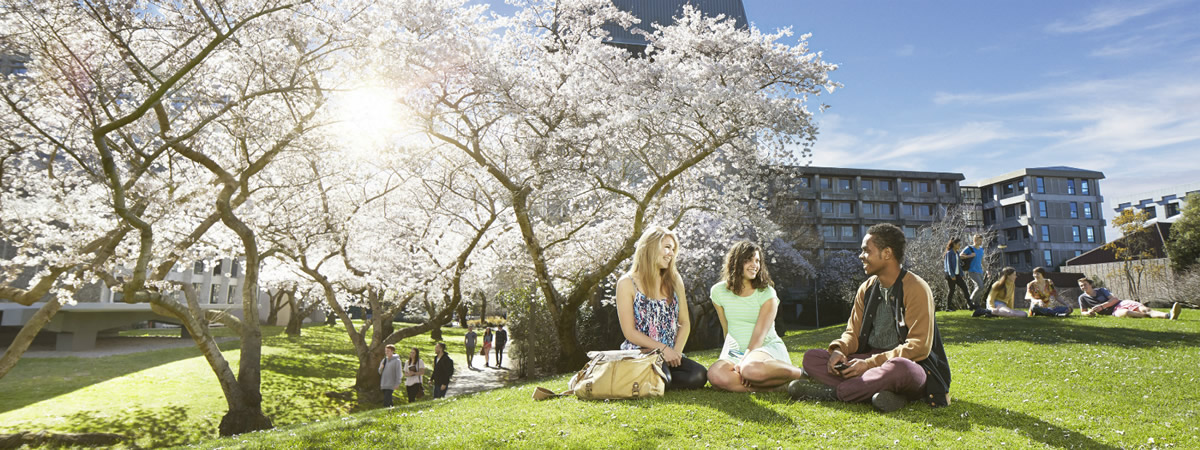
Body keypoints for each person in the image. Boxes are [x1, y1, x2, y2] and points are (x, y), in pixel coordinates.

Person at [792, 223, 952, 412]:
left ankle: (834, 393)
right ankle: (885, 395)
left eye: (866, 251)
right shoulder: (866, 288)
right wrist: (839, 350)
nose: (861, 256)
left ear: (886, 253)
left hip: (911, 364)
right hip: (869, 362)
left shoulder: (916, 288)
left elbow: (919, 347)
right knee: (812, 358)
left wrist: (869, 364)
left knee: (900, 369)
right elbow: (853, 332)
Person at [615, 226, 708, 390]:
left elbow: (684, 323)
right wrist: (662, 349)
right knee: (664, 377)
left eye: (673, 249)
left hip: (669, 353)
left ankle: (658, 380)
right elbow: (629, 332)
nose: (671, 253)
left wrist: (675, 354)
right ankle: (647, 378)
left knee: (699, 374)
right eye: (667, 247)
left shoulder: (674, 280)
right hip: (641, 353)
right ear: (650, 248)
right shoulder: (627, 283)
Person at [706, 241, 804, 392]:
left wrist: (745, 361)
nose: (754, 265)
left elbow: (759, 335)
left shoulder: (767, 293)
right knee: (715, 375)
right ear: (736, 262)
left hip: (765, 349)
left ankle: (802, 374)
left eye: (757, 260)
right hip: (737, 352)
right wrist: (734, 358)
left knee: (750, 370)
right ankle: (776, 388)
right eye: (748, 260)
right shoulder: (718, 292)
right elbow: (727, 330)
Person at [1077, 278, 1182, 320]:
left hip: (1120, 303)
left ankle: (1168, 315)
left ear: (1090, 284)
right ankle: (1150, 316)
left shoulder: (1101, 290)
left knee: (1145, 309)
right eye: (1081, 286)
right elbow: (1083, 312)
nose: (1083, 287)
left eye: (1085, 284)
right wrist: (1089, 313)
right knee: (1127, 312)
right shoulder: (1082, 298)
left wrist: (1101, 306)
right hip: (1113, 311)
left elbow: (1114, 299)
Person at [943, 237, 974, 310]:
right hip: (951, 275)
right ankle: (948, 307)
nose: (960, 245)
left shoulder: (957, 253)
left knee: (965, 288)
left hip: (958, 275)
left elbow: (958, 265)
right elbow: (948, 265)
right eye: (958, 244)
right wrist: (952, 275)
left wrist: (962, 274)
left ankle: (970, 304)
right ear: (954, 244)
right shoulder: (949, 253)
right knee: (952, 290)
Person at [960, 233, 987, 307]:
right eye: (979, 240)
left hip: (980, 271)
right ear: (975, 240)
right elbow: (960, 256)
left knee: (979, 288)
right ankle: (970, 302)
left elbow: (982, 260)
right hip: (972, 271)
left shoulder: (981, 249)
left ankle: (976, 305)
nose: (981, 242)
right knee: (980, 286)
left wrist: (987, 270)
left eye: (981, 240)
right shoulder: (969, 248)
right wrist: (969, 256)